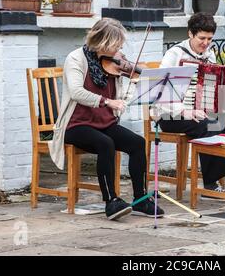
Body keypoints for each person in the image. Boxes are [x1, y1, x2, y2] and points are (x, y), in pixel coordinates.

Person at [49, 18, 165, 220]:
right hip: (76, 124)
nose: (119, 49)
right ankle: (111, 201)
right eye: (115, 45)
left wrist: (138, 85)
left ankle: (140, 199)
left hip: (105, 122)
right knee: (106, 144)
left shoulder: (116, 62)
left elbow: (129, 88)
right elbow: (76, 91)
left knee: (138, 143)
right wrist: (107, 102)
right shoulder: (76, 59)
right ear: (101, 42)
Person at [155, 12, 225, 199]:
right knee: (211, 125)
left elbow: (212, 87)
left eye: (209, 39)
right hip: (171, 116)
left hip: (201, 113)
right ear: (190, 34)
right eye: (201, 38)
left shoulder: (209, 55)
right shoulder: (174, 54)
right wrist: (186, 111)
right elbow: (161, 92)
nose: (205, 43)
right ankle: (209, 185)